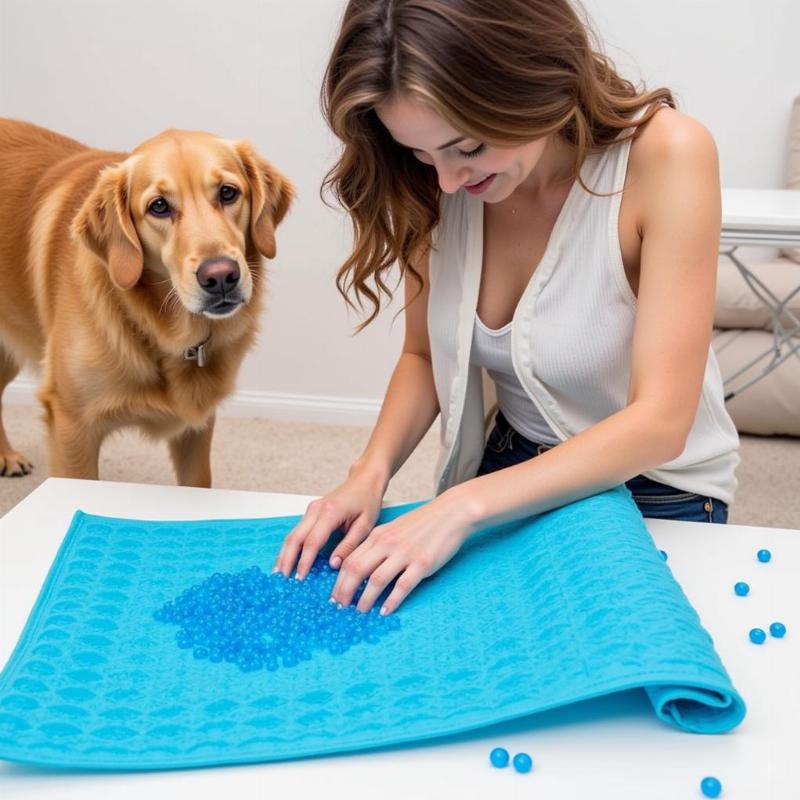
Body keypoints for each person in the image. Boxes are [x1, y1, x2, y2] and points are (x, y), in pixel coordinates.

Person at [273, 0, 740, 616]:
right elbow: (421, 354)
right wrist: (369, 472)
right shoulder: (437, 183)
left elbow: (661, 420)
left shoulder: (667, 156)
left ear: (530, 83)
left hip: (654, 488)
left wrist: (460, 507)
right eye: (420, 153)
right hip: (507, 465)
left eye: (466, 146)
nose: (444, 181)